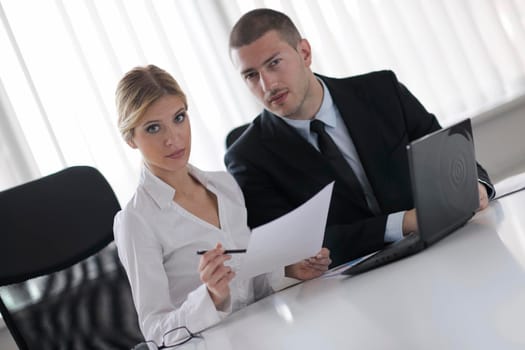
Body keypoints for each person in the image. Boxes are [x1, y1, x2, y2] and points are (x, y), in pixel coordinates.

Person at [224, 8, 495, 268]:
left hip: (447, 251)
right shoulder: (247, 158)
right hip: (348, 288)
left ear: (304, 53)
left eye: (274, 63)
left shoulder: (382, 90)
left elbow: (449, 154)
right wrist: (404, 223)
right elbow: (291, 251)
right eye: (251, 75)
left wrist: (476, 185)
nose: (267, 84)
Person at [113, 64, 331, 344]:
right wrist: (211, 297)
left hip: (265, 334)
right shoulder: (136, 220)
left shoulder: (224, 186)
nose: (173, 138)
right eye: (153, 128)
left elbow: (249, 282)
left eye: (179, 118)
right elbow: (156, 332)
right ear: (131, 138)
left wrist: (289, 270)